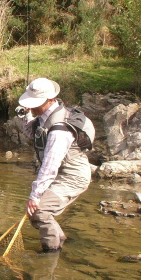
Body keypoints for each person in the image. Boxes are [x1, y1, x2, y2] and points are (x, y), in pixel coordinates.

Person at [18, 78, 92, 252]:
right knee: (40, 212)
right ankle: (60, 239)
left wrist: (35, 196)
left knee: (39, 212)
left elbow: (50, 166)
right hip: (60, 172)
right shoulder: (45, 115)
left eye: (34, 103)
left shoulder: (60, 130)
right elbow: (33, 133)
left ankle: (51, 254)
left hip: (73, 176)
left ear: (50, 100)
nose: (31, 106)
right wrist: (25, 115)